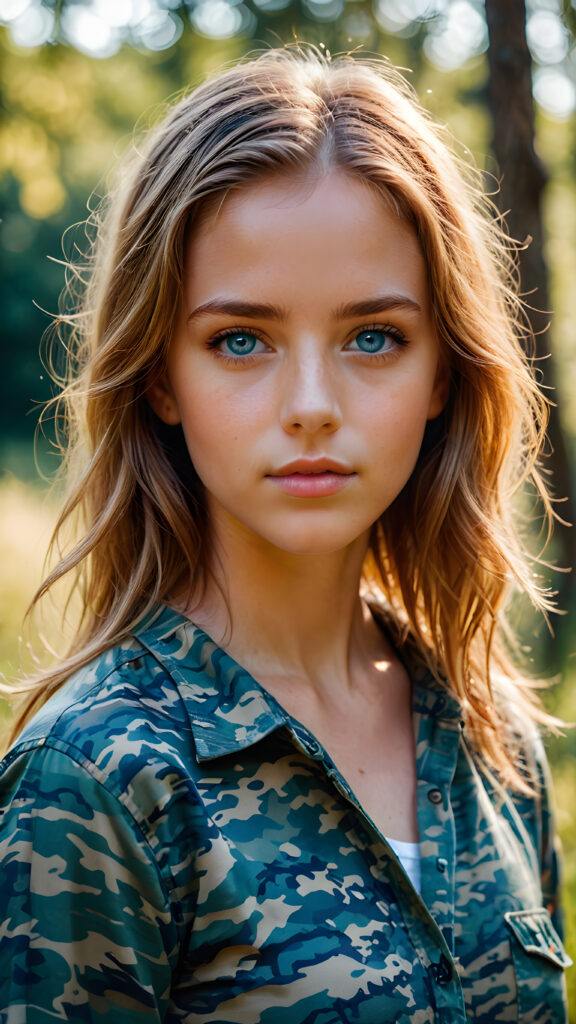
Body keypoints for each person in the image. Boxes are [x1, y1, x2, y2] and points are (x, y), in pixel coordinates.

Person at [0, 46, 570, 1023]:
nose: (311, 405)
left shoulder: (491, 738)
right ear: (160, 377)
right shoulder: (97, 781)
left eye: (373, 336)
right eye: (241, 340)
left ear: (443, 372)